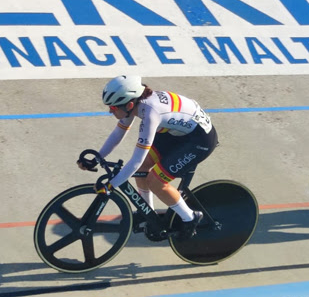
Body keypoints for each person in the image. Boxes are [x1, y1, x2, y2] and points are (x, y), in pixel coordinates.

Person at [78, 76, 218, 239]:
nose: (110, 111)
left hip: (199, 140)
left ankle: (190, 217)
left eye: (113, 107)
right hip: (176, 132)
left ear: (129, 105)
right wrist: (97, 158)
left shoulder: (151, 113)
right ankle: (147, 213)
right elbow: (118, 133)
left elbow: (135, 161)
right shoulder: (134, 103)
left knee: (156, 181)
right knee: (144, 166)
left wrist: (111, 185)